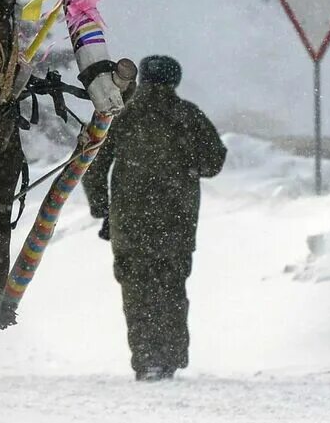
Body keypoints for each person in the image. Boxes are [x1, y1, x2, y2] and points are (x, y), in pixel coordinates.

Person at [83, 54, 227, 381]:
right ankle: (171, 356)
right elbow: (214, 162)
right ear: (175, 80)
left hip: (129, 223)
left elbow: (92, 165)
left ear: (143, 79)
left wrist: (102, 209)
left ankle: (146, 359)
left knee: (136, 292)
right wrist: (187, 165)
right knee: (172, 289)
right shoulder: (189, 115)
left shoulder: (121, 114)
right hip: (177, 223)